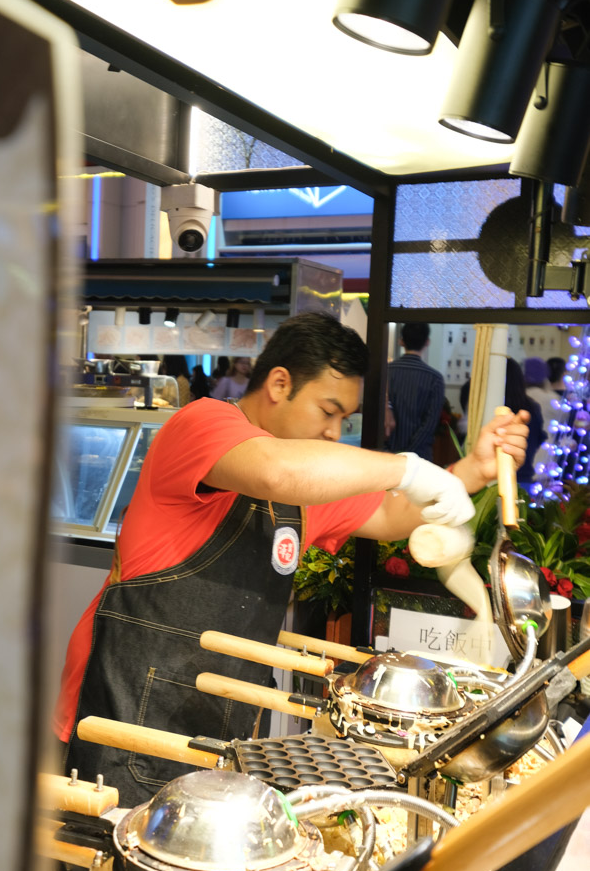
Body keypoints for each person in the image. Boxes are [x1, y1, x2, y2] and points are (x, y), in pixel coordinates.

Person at [54, 312, 529, 811]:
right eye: (328, 410)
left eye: (344, 418)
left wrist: (471, 471)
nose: (334, 431)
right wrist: (407, 468)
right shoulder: (203, 423)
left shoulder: (307, 481)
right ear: (279, 383)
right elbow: (275, 473)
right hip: (118, 705)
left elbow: (389, 515)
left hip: (216, 712)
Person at [386, 322, 445, 460]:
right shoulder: (435, 378)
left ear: (401, 341)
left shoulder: (386, 371)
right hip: (420, 458)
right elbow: (430, 424)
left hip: (386, 454)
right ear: (427, 342)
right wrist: (409, 453)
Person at [505, 357, 545, 485]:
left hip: (494, 477)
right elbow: (540, 438)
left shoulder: (491, 406)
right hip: (525, 474)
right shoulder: (532, 407)